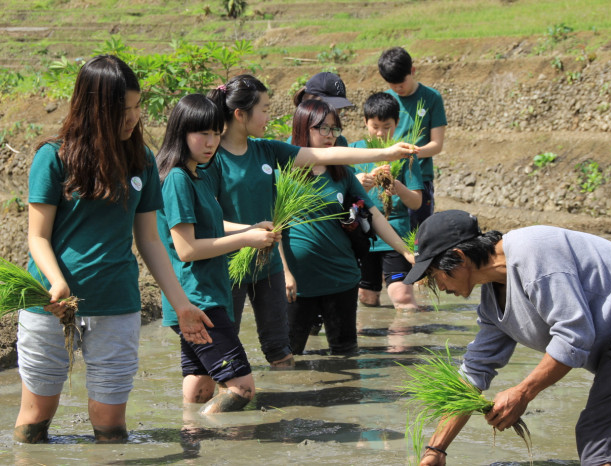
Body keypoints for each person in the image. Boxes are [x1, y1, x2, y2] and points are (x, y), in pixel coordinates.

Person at [15, 55, 211, 444]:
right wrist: (57, 283)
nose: (133, 118)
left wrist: (182, 303)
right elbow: (37, 236)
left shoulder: (139, 160)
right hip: (50, 305)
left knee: (111, 427)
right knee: (36, 420)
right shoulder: (53, 157)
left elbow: (151, 240)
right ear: (93, 109)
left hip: (117, 305)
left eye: (137, 107)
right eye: (122, 110)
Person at [402, 210, 611, 466]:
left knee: (600, 435)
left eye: (433, 273)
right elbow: (473, 374)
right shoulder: (493, 302)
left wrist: (523, 392)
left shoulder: (532, 253)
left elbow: (574, 338)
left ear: (458, 257)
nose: (436, 286)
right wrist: (436, 449)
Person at [206, 75, 417, 368]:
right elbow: (227, 222)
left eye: (336, 126)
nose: (331, 133)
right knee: (245, 353)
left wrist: (386, 153)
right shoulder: (237, 160)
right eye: (265, 109)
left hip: (311, 275)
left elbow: (333, 161)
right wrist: (275, 260)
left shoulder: (284, 155)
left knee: (309, 356)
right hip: (262, 274)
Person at [156, 94, 281, 413]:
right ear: (181, 133)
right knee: (242, 389)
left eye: (216, 134)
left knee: (200, 384)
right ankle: (212, 435)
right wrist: (247, 241)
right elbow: (186, 249)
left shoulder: (195, 176)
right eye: (203, 133)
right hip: (200, 302)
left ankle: (194, 445)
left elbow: (208, 230)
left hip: (202, 296)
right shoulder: (178, 179)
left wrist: (249, 229)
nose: (211, 142)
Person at [281, 99, 414, 355]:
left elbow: (374, 215)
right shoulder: (283, 171)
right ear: (302, 128)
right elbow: (273, 228)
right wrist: (285, 273)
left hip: (341, 279)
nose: (330, 136)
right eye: (323, 129)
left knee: (345, 354)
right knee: (286, 357)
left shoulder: (340, 172)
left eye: (335, 129)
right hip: (298, 283)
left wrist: (405, 250)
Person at [352, 92, 423, 311]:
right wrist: (360, 183)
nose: (381, 133)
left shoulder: (406, 155)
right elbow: (341, 196)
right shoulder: (352, 151)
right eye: (375, 126)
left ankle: (407, 344)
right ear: (365, 122)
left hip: (396, 234)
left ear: (397, 123)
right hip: (363, 235)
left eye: (387, 126)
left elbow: (417, 203)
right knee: (366, 297)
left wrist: (399, 188)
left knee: (402, 298)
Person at [378, 46, 447, 230]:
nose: (398, 88)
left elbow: (436, 145)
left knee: (420, 235)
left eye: (401, 83)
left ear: (413, 71)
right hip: (390, 178)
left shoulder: (431, 97)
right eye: (393, 84)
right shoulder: (386, 100)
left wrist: (410, 154)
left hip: (419, 179)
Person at [289, 71, 353, 147]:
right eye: (330, 107)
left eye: (339, 109)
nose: (334, 114)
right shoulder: (291, 147)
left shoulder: (340, 142)